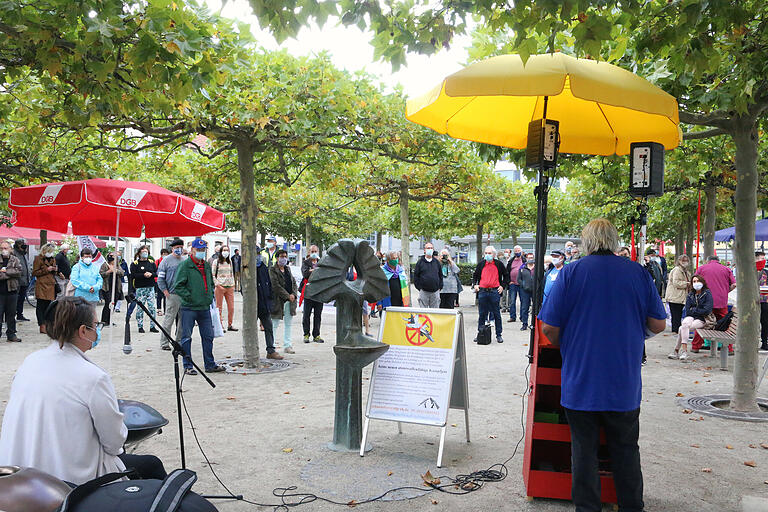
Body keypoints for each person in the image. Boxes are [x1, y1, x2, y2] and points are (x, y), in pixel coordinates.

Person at [539, 219, 666, 512]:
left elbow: (549, 328)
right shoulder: (637, 272)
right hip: (624, 381)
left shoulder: (570, 273)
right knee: (626, 450)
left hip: (581, 380)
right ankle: (632, 507)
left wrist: (571, 343)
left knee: (584, 453)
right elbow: (658, 324)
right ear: (613, 240)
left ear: (586, 242)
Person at [0, 296, 166, 484]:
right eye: (96, 325)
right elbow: (114, 442)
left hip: (19, 473)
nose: (97, 331)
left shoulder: (30, 362)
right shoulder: (93, 377)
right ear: (82, 331)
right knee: (151, 465)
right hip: (64, 481)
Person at [173, 238, 226, 374]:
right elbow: (178, 286)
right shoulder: (185, 266)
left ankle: (210, 364)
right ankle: (187, 365)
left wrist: (209, 296)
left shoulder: (206, 265)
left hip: (204, 307)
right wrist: (190, 296)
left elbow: (210, 282)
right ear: (192, 250)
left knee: (208, 336)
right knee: (186, 337)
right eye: (199, 250)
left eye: (203, 250)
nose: (201, 252)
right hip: (189, 308)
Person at [693, 255, 736, 353]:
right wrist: (726, 291)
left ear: (708, 261)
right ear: (718, 261)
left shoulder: (701, 268)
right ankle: (729, 348)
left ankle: (696, 346)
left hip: (705, 302)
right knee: (725, 324)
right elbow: (734, 284)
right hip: (721, 301)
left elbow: (694, 283)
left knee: (701, 322)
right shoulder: (726, 269)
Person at [669, 275, 713, 361]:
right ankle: (684, 351)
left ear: (702, 282)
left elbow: (707, 310)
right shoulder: (690, 295)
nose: (696, 283)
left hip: (702, 319)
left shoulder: (707, 294)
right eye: (694, 282)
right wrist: (697, 310)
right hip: (691, 317)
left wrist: (694, 309)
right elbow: (688, 310)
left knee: (682, 328)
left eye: (698, 281)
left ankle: (677, 350)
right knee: (684, 324)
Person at [472, 245, 508, 343]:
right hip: (483, 291)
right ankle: (480, 333)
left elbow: (506, 276)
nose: (487, 255)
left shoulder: (499, 264)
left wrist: (502, 286)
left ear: (494, 254)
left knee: (496, 314)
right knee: (482, 314)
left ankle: (499, 335)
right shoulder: (481, 264)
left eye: (489, 253)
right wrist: (475, 285)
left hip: (494, 291)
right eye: (486, 253)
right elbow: (475, 275)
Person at [252, 246, 283, 360]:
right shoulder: (247, 269)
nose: (258, 256)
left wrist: (269, 300)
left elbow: (268, 285)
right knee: (251, 329)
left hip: (264, 304)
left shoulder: (263, 268)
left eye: (259, 253)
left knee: (268, 327)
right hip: (253, 305)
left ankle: (271, 350)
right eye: (256, 254)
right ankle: (251, 350)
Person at [157, 238, 185, 351]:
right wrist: (165, 292)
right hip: (172, 295)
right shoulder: (166, 261)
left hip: (184, 295)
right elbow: (160, 279)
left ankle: (179, 342)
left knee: (183, 321)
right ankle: (164, 342)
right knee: (169, 319)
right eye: (177, 248)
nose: (179, 249)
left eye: (181, 248)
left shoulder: (185, 260)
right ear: (172, 248)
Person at [270, 249, 297, 354]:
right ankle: (271, 346)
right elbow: (275, 285)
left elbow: (293, 282)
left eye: (285, 256)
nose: (284, 258)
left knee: (288, 324)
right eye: (281, 256)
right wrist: (287, 295)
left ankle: (287, 345)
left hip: (290, 301)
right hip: (278, 301)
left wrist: (293, 294)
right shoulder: (272, 270)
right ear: (277, 258)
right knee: (274, 323)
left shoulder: (288, 269)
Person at [130, 245, 159, 334]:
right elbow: (133, 275)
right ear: (139, 253)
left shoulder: (151, 263)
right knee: (140, 308)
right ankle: (140, 326)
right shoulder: (135, 264)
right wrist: (143, 275)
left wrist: (151, 274)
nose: (145, 253)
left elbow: (156, 273)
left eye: (146, 251)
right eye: (143, 252)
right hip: (140, 288)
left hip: (150, 288)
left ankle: (152, 326)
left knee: (152, 308)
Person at [32, 243, 58, 334]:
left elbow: (54, 272)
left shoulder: (52, 259)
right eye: (50, 252)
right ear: (45, 251)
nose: (51, 253)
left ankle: (47, 324)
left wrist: (55, 270)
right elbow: (34, 272)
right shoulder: (38, 259)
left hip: (51, 285)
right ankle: (42, 325)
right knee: (40, 306)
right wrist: (47, 269)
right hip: (42, 285)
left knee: (48, 306)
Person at [0, 240, 23, 343]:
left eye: (6, 248)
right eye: (2, 248)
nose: (4, 250)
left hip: (12, 291)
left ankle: (11, 334)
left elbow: (19, 272)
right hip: (0, 293)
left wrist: (5, 272)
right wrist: (10, 274)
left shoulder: (15, 260)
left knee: (11, 314)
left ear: (10, 249)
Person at [301, 246, 324, 343]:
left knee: (318, 315)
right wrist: (315, 271)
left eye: (315, 251)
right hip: (308, 293)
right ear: (309, 252)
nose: (314, 253)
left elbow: (324, 274)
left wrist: (312, 271)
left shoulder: (322, 262)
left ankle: (316, 335)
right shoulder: (305, 262)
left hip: (319, 292)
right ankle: (306, 334)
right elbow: (305, 273)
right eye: (312, 251)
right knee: (306, 314)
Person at [212, 244, 237, 332]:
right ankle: (220, 325)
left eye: (227, 250)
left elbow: (232, 273)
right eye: (224, 250)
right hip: (220, 286)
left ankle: (230, 324)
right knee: (219, 307)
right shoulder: (216, 262)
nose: (225, 252)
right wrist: (217, 285)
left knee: (231, 307)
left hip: (229, 286)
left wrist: (233, 284)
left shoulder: (229, 261)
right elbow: (213, 275)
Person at [665, 255, 691, 334]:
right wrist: (688, 284)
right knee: (676, 314)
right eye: (683, 260)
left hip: (680, 296)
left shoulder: (685, 271)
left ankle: (677, 330)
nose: (685, 262)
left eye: (686, 260)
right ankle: (675, 330)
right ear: (679, 261)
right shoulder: (677, 270)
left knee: (678, 314)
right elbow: (676, 283)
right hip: (675, 296)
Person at [413, 242, 443, 308]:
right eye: (428, 248)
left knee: (435, 313)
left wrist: (440, 287)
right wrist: (419, 288)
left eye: (431, 248)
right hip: (423, 292)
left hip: (435, 292)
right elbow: (416, 276)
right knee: (423, 314)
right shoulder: (420, 262)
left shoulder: (437, 262)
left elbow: (440, 275)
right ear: (424, 250)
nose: (430, 249)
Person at [99, 253, 124, 326]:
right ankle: (104, 320)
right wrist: (108, 271)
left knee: (114, 303)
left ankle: (110, 320)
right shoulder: (105, 265)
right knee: (108, 303)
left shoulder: (117, 266)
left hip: (116, 287)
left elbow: (122, 273)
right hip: (107, 287)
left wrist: (115, 270)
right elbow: (101, 274)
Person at [12, 239, 31, 322]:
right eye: (21, 244)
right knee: (15, 299)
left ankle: (20, 314)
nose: (23, 245)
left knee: (22, 298)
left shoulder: (24, 254)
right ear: (17, 245)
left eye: (23, 243)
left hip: (25, 280)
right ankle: (12, 315)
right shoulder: (14, 254)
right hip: (17, 280)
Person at [505, 245, 525, 322]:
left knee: (523, 301)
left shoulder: (524, 261)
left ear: (521, 251)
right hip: (512, 284)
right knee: (512, 301)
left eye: (518, 250)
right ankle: (512, 317)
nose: (517, 252)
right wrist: (509, 281)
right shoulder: (511, 261)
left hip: (521, 284)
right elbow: (507, 272)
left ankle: (522, 317)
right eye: (516, 251)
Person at [518, 255, 536, 330]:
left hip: (535, 291)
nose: (530, 259)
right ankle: (524, 324)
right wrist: (523, 285)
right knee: (525, 307)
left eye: (532, 257)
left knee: (535, 307)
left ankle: (534, 324)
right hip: (525, 291)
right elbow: (519, 279)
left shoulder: (537, 267)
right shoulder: (522, 268)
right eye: (529, 258)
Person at [155, 248, 169, 316]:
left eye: (166, 254)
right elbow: (155, 271)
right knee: (159, 296)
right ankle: (159, 309)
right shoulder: (157, 261)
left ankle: (166, 310)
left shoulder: (168, 261)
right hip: (158, 281)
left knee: (166, 296)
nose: (165, 255)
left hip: (167, 281)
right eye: (163, 254)